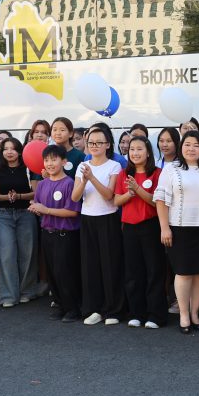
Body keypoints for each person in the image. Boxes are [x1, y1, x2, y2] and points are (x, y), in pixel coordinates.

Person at [155, 130, 199, 333]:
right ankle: (183, 314)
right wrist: (164, 228)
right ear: (181, 147)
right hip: (179, 228)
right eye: (187, 144)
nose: (191, 149)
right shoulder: (171, 168)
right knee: (183, 272)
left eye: (196, 145)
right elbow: (161, 199)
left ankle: (195, 313)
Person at [72, 124, 124, 326]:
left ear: (107, 144)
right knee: (90, 265)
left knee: (110, 265)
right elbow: (75, 197)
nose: (94, 146)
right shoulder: (82, 166)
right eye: (91, 143)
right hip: (87, 219)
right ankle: (93, 309)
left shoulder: (114, 166)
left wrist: (91, 177)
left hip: (108, 218)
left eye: (99, 142)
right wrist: (84, 180)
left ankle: (113, 309)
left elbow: (109, 195)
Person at [113, 136, 165, 329]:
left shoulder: (157, 173)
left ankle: (155, 315)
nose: (135, 153)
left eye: (139, 149)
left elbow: (156, 202)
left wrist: (137, 189)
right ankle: (137, 313)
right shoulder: (124, 174)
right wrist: (130, 193)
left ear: (148, 152)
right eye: (132, 149)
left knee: (154, 270)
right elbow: (116, 201)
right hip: (129, 227)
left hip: (151, 226)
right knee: (133, 272)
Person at [28, 145, 82, 322]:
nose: (50, 163)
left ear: (64, 162)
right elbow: (40, 207)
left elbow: (72, 212)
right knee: (52, 272)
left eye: (54, 159)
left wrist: (46, 210)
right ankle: (60, 305)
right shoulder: (42, 184)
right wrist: (36, 208)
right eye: (46, 160)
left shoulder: (69, 183)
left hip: (65, 235)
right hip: (47, 233)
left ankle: (72, 308)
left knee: (65, 272)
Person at [0, 136, 38, 308]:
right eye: (5, 149)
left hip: (26, 213)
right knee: (7, 255)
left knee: (28, 253)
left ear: (19, 151)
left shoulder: (28, 168)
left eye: (13, 148)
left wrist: (19, 196)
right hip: (4, 215)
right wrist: (8, 197)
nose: (9, 152)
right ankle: (8, 295)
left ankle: (27, 291)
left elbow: (36, 192)